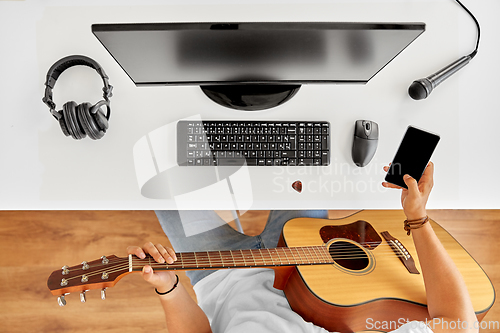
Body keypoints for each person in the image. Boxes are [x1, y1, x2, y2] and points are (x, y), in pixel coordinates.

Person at [127, 162, 479, 333]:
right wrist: (417, 217)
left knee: (161, 159)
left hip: (221, 275)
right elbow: (460, 325)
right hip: (309, 256)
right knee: (302, 140)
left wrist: (170, 288)